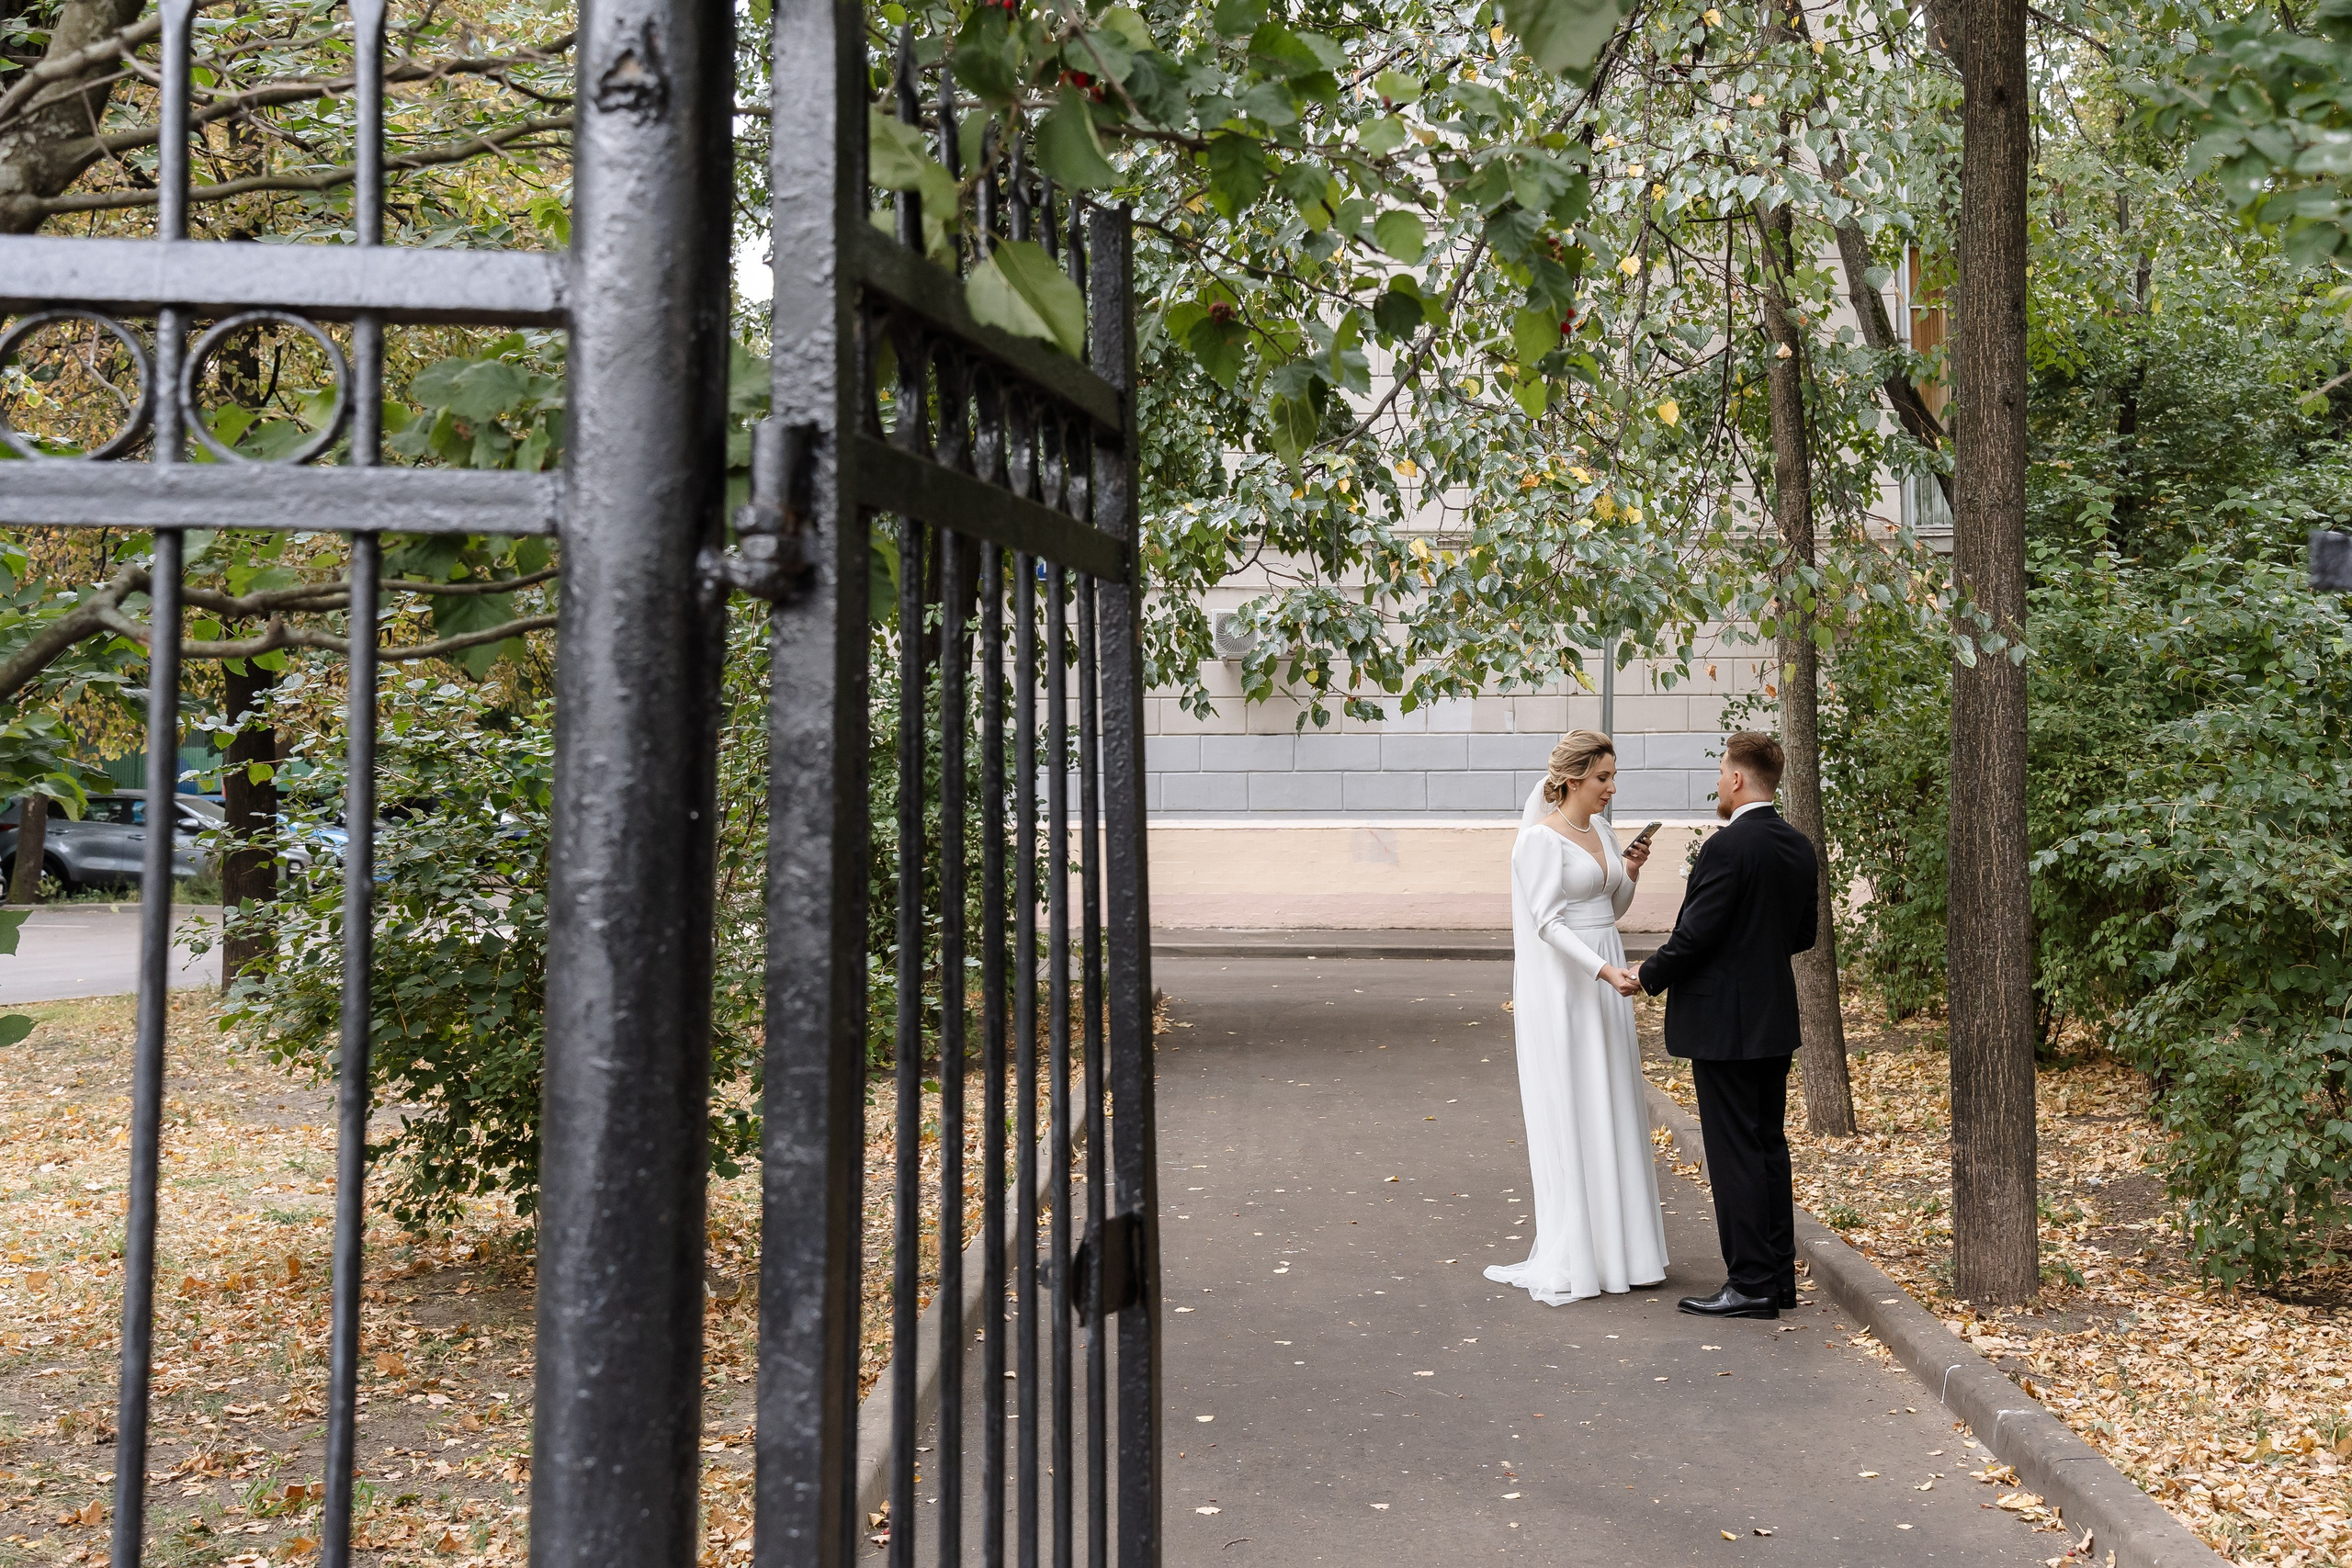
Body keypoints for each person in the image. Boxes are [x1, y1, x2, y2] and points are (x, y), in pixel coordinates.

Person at [1628, 731, 1818, 1321]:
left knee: (1734, 1152)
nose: (1718, 784)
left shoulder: (1727, 847)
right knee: (1766, 1147)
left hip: (1724, 1025)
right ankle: (1776, 1280)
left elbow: (1697, 933)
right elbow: (1802, 937)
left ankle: (1751, 1285)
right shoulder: (1797, 846)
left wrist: (1647, 973)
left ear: (1738, 779)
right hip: (1771, 1019)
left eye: (1720, 774)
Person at [1487, 730, 1668, 1305]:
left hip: (1606, 967)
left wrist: (1630, 873)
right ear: (1571, 779)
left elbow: (1607, 909)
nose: (1611, 788)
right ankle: (1583, 1252)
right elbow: (1548, 922)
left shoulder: (1604, 832)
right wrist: (1602, 971)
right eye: (1602, 778)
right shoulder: (1539, 842)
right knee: (1578, 1100)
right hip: (1571, 982)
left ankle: (1626, 1252)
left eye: (1613, 777)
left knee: (1612, 1099)